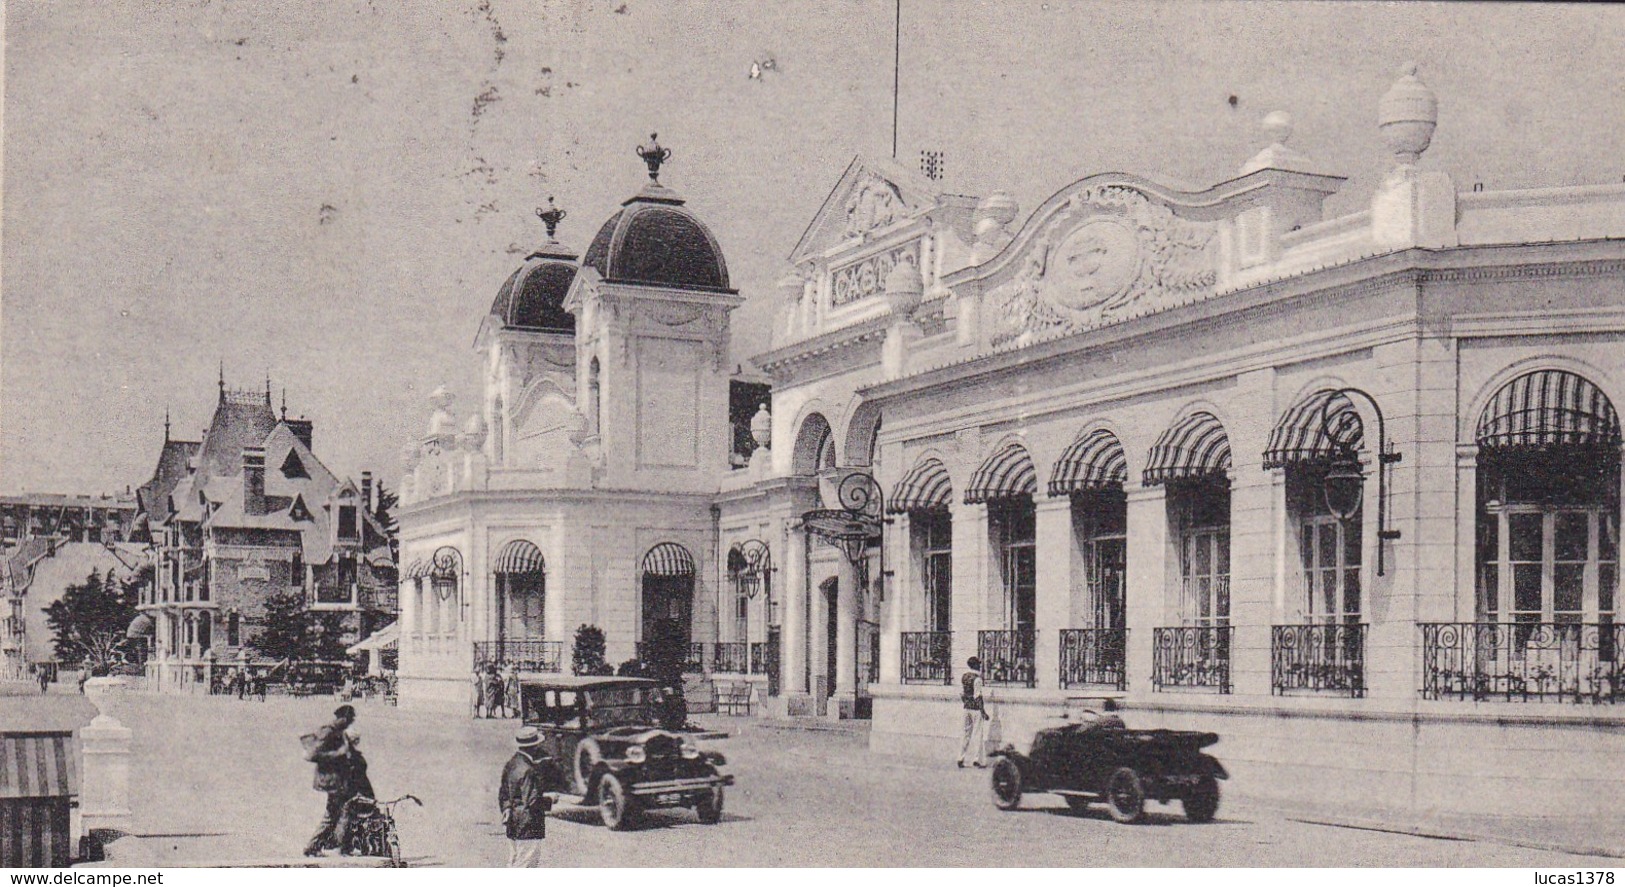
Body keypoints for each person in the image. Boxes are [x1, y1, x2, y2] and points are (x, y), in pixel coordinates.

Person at [499, 727, 563, 867]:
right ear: (534, 746)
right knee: (526, 866)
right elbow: (533, 802)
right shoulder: (530, 770)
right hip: (529, 826)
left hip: (514, 824)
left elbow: (503, 793)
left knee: (514, 863)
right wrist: (550, 799)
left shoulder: (511, 764)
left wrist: (507, 809)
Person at [303, 704, 358, 857]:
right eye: (349, 719)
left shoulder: (339, 732)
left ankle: (339, 846)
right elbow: (312, 755)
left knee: (342, 811)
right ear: (343, 718)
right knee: (335, 813)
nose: (350, 722)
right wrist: (337, 754)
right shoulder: (328, 731)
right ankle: (315, 846)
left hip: (338, 780)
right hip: (331, 781)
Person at [958, 656, 989, 769]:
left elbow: (962, 694)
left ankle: (960, 757)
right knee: (977, 734)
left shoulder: (964, 677)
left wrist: (966, 702)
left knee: (966, 734)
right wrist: (983, 711)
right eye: (978, 664)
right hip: (976, 709)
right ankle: (978, 760)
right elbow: (978, 696)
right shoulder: (977, 679)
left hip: (966, 708)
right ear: (975, 665)